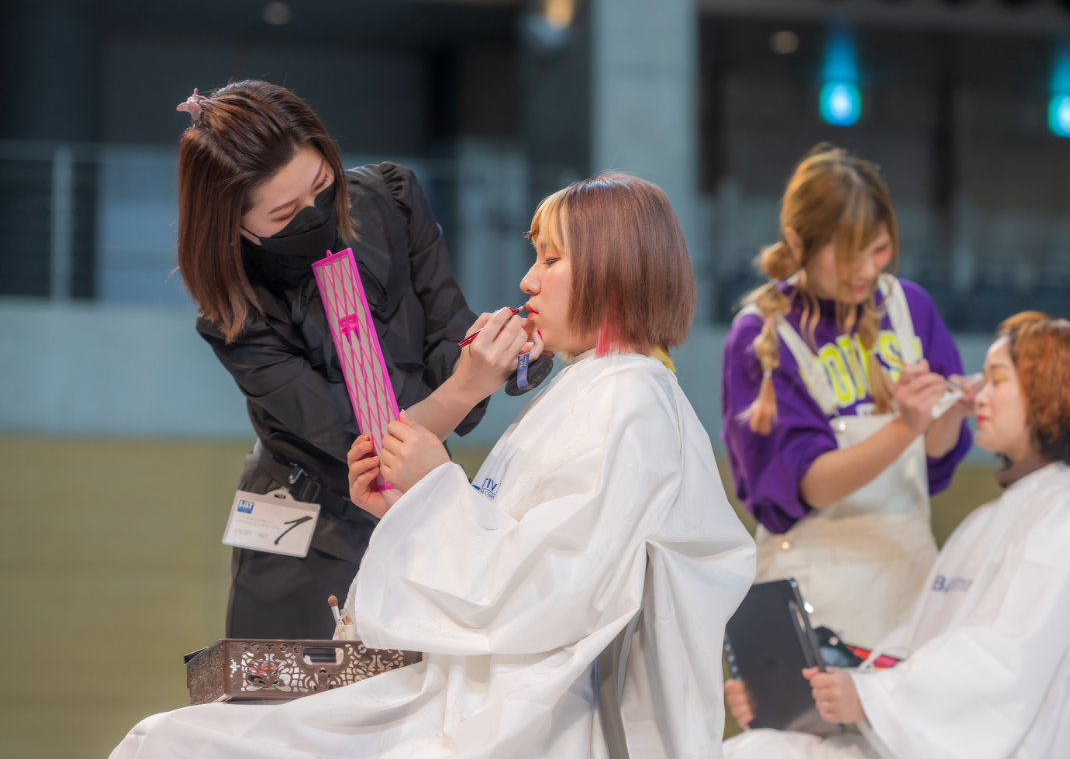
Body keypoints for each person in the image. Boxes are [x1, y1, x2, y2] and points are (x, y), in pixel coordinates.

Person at [110, 173, 757, 759]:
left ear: (615, 270)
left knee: (174, 744)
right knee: (172, 738)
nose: (528, 281)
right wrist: (408, 508)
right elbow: (512, 553)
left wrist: (433, 489)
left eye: (550, 259)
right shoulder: (588, 387)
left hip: (527, 714)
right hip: (475, 693)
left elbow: (555, 590)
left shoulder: (631, 397)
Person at [723, 312, 1070, 759]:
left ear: (1051, 389)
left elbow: (1006, 663)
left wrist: (870, 695)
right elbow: (918, 647)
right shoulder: (989, 519)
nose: (978, 395)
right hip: (946, 735)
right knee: (759, 746)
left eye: (997, 380)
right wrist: (814, 687)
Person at [174, 80, 527, 639]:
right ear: (232, 224)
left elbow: (450, 339)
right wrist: (465, 386)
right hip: (304, 527)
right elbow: (367, 444)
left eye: (321, 184)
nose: (313, 214)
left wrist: (483, 362)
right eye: (283, 213)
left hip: (421, 505)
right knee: (289, 691)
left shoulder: (391, 198)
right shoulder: (234, 315)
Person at [721, 145, 973, 647]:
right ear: (797, 242)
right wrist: (905, 425)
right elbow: (810, 486)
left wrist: (947, 413)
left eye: (877, 250)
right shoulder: (760, 335)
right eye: (845, 255)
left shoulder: (910, 307)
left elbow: (935, 461)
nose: (865, 270)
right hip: (811, 594)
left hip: (909, 583)